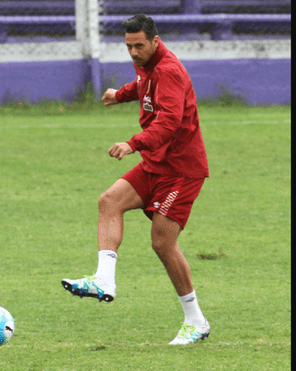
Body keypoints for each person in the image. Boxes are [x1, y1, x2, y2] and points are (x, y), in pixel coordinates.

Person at [61, 14, 211, 345]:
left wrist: (133, 143)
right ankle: (104, 280)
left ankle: (195, 320)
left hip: (181, 170)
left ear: (155, 41)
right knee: (109, 201)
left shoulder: (169, 70)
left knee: (162, 241)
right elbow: (145, 87)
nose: (132, 52)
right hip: (157, 163)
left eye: (138, 45)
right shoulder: (148, 63)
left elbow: (170, 122)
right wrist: (122, 94)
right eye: (128, 45)